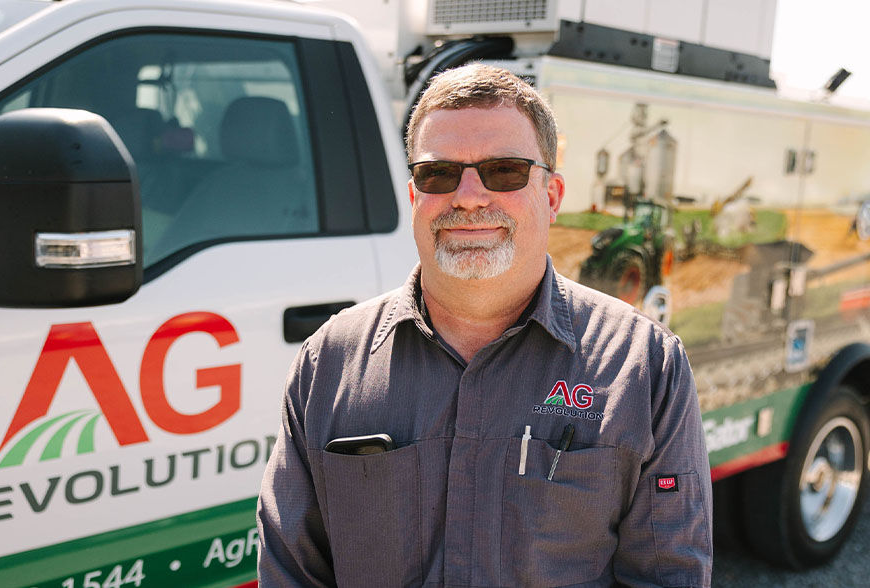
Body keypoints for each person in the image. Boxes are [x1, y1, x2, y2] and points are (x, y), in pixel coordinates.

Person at [257, 63, 712, 588]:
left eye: (504, 171)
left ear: (552, 196)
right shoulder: (328, 363)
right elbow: (291, 572)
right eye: (439, 173)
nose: (469, 196)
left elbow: (668, 575)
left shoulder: (645, 366)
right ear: (414, 198)